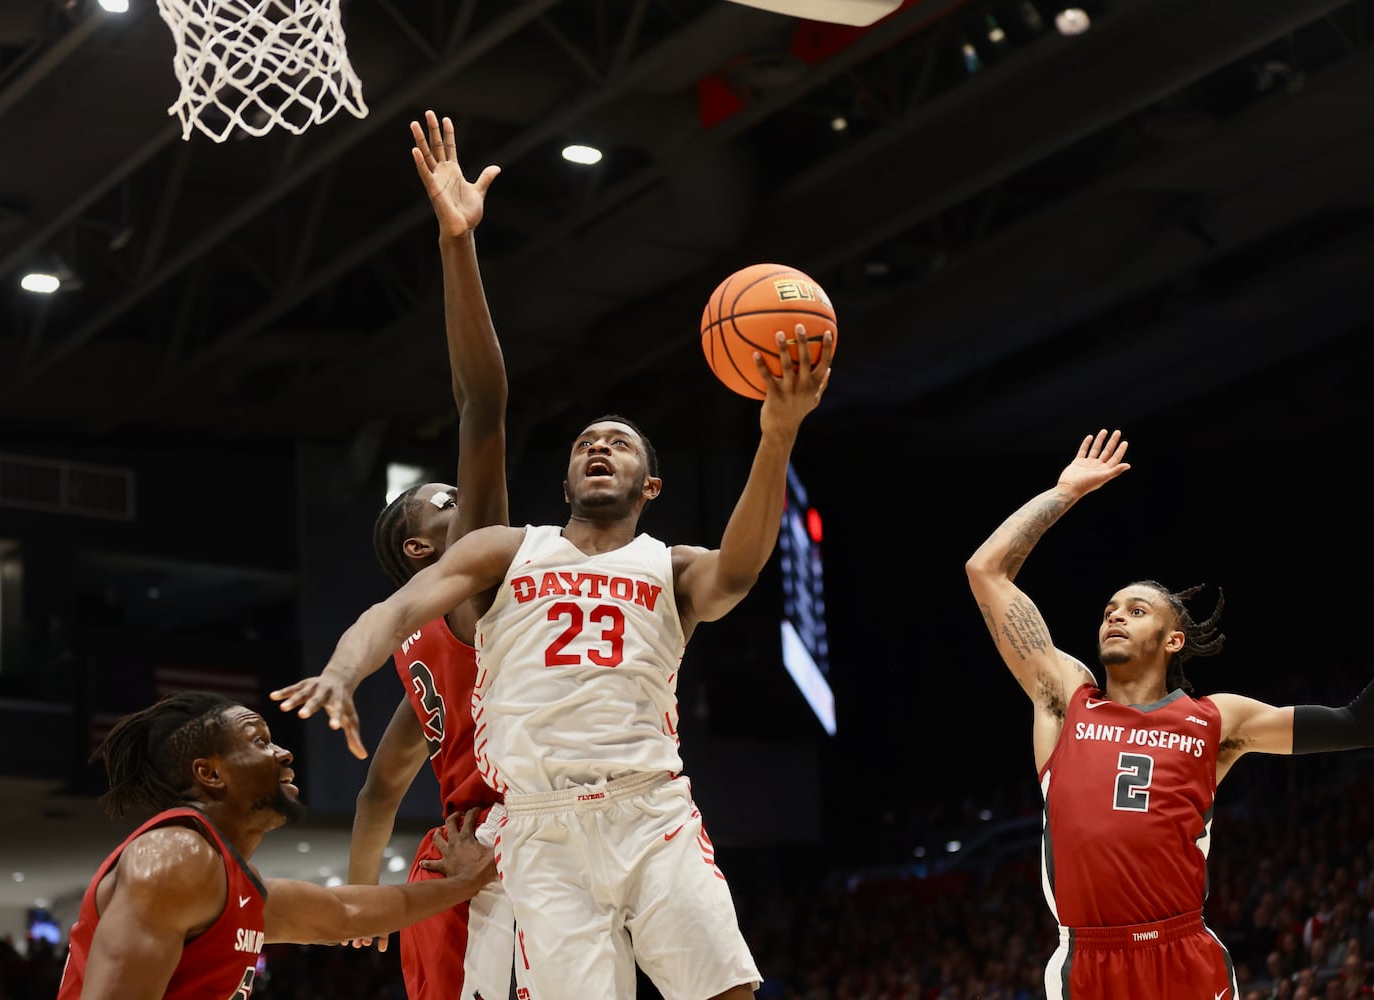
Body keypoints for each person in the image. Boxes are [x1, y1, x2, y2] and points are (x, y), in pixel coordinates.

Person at [272, 329, 832, 1000]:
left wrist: (776, 437)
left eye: (619, 442)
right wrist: (342, 669)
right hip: (535, 823)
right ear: (562, 482)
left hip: (648, 808)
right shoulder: (505, 554)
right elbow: (394, 614)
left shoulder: (671, 565)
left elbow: (739, 571)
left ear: (651, 486)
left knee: (727, 994)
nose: (599, 446)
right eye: (584, 443)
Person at [964, 428, 1374, 1000]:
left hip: (1184, 954)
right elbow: (986, 571)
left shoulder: (1217, 720)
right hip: (1089, 962)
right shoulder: (1066, 697)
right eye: (1110, 609)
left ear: (1174, 640)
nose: (1115, 617)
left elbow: (1357, 724)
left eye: (1136, 610)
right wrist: (1065, 493)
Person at [344, 108, 516, 1000]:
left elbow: (380, 788)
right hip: (497, 856)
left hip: (439, 869)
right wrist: (459, 245)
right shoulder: (468, 594)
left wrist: (363, 893)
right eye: (447, 501)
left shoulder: (420, 658)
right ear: (423, 547)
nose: (468, 498)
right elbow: (481, 406)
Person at [54, 690, 497, 1000]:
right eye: (260, 742)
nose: (284, 753)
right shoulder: (175, 859)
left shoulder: (230, 884)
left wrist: (464, 883)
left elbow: (345, 914)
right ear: (210, 774)